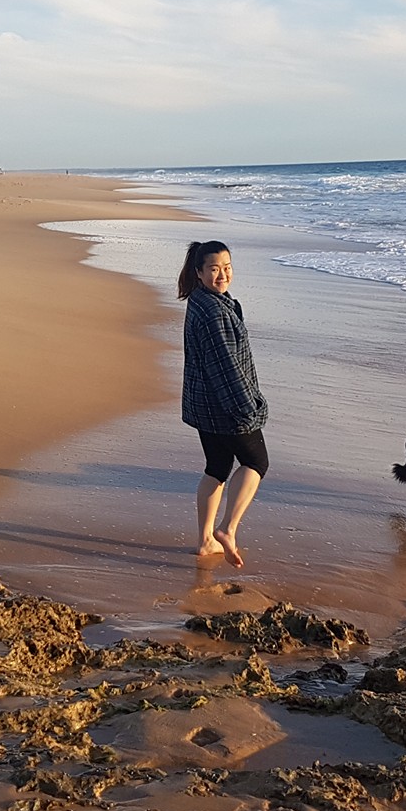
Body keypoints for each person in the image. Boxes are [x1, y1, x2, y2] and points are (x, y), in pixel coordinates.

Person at [178, 239, 268, 567]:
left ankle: (204, 541)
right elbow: (225, 365)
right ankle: (227, 530)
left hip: (204, 406)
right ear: (199, 272)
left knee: (216, 468)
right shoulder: (214, 311)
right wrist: (248, 407)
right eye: (214, 269)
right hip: (225, 406)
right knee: (256, 462)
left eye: (227, 268)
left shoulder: (202, 301)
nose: (222, 275)